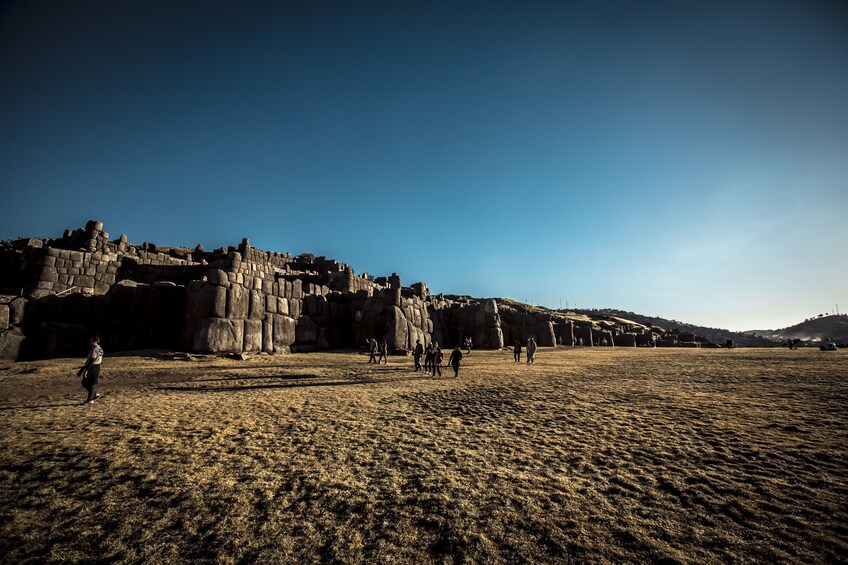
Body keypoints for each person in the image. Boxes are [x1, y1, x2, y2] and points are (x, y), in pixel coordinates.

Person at [78, 336, 103, 404]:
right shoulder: (100, 349)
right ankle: (93, 395)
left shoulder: (95, 349)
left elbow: (92, 360)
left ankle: (91, 398)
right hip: (96, 366)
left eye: (92, 341)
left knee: (89, 382)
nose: (90, 342)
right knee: (88, 382)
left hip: (92, 367)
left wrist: (86, 370)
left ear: (95, 342)